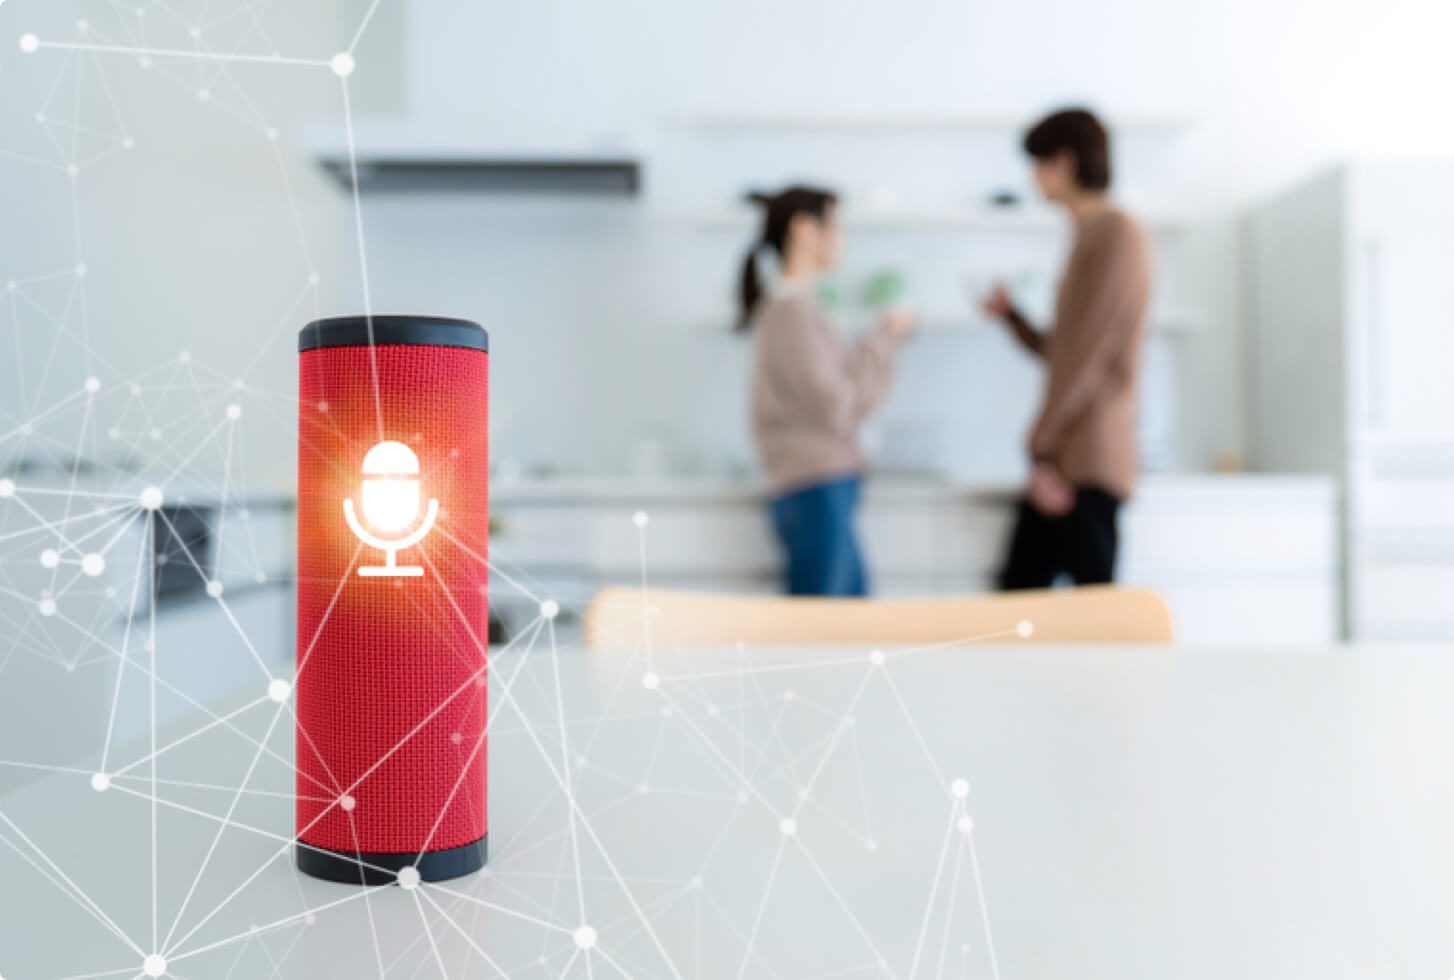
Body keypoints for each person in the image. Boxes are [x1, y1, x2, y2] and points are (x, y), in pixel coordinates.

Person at [981, 109, 1152, 589]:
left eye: (1037, 164)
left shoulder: (1117, 233)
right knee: (1023, 608)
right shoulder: (1087, 235)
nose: (1032, 178)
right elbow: (1067, 351)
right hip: (1070, 456)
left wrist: (1041, 447)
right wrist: (1013, 318)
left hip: (1089, 459)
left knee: (1086, 623)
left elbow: (1088, 356)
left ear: (1065, 161)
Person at [740, 185, 915, 596]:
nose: (843, 239)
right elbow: (840, 405)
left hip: (823, 484)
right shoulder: (790, 312)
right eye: (836, 226)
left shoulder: (800, 308)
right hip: (816, 486)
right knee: (823, 632)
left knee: (843, 627)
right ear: (804, 230)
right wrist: (884, 339)